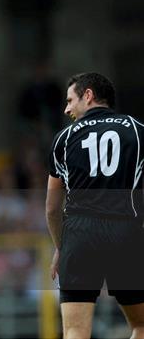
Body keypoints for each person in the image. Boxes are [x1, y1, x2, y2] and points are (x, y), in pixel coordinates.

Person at [46, 72, 144, 339]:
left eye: (70, 100)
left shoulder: (63, 139)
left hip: (79, 233)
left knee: (76, 331)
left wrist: (60, 246)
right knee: (141, 324)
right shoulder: (137, 130)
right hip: (126, 230)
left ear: (88, 95)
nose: (66, 109)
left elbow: (52, 208)